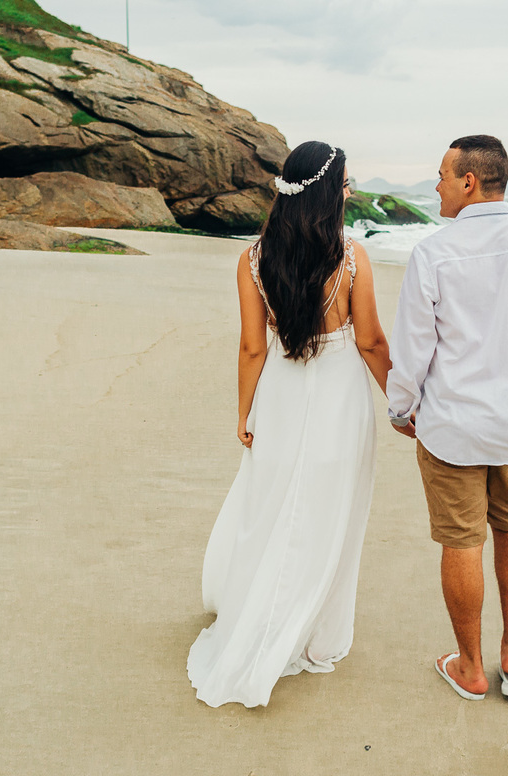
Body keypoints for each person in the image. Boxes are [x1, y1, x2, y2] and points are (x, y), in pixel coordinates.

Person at [187, 141, 392, 708]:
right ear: (330, 192)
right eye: (347, 184)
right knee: (329, 510)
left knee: (273, 503)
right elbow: (371, 341)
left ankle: (262, 614)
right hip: (339, 400)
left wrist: (245, 411)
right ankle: (313, 634)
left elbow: (253, 346)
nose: (351, 193)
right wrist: (405, 401)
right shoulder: (352, 258)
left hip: (278, 394)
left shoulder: (253, 259)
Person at [386, 135, 508, 700]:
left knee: (461, 540)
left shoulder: (434, 252)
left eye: (443, 176)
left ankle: (471, 668)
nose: (437, 186)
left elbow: (413, 348)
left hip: (453, 426)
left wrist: (401, 408)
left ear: (469, 182)